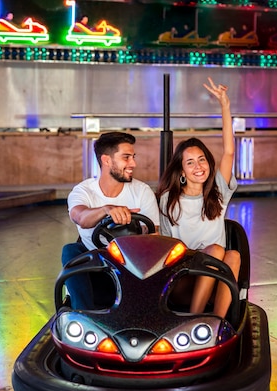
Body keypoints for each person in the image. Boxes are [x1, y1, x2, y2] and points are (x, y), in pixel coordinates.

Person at [156, 77, 240, 319]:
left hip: (215, 277)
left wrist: (225, 105)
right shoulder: (169, 201)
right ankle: (194, 319)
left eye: (202, 159)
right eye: (190, 162)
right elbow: (165, 247)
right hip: (182, 277)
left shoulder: (218, 194)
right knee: (215, 249)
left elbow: (229, 151)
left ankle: (217, 322)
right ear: (181, 171)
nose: (199, 166)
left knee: (233, 255)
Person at [62, 131, 160, 309]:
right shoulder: (83, 191)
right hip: (96, 271)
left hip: (133, 270)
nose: (133, 163)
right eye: (126, 157)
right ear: (106, 160)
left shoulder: (142, 191)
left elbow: (154, 236)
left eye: (133, 157)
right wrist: (106, 210)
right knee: (70, 251)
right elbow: (81, 217)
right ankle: (83, 314)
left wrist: (135, 229)